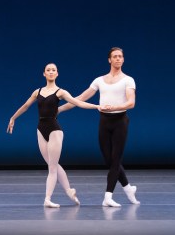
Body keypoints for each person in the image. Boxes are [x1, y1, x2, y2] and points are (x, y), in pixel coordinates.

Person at [7, 63, 101, 208]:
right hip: (40, 129)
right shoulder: (37, 92)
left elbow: (77, 102)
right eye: (48, 70)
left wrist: (96, 106)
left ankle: (47, 199)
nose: (51, 72)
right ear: (44, 74)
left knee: (52, 168)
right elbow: (26, 106)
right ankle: (69, 190)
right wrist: (13, 118)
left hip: (54, 130)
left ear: (57, 74)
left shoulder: (60, 92)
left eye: (53, 70)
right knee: (53, 165)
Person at [58, 47, 140, 207]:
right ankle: (129, 188)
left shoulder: (128, 80)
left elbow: (131, 103)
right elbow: (80, 98)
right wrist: (60, 109)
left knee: (116, 159)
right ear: (109, 60)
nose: (118, 59)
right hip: (104, 121)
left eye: (120, 56)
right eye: (115, 56)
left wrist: (114, 108)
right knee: (109, 160)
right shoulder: (99, 81)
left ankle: (108, 197)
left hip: (120, 121)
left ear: (123, 60)